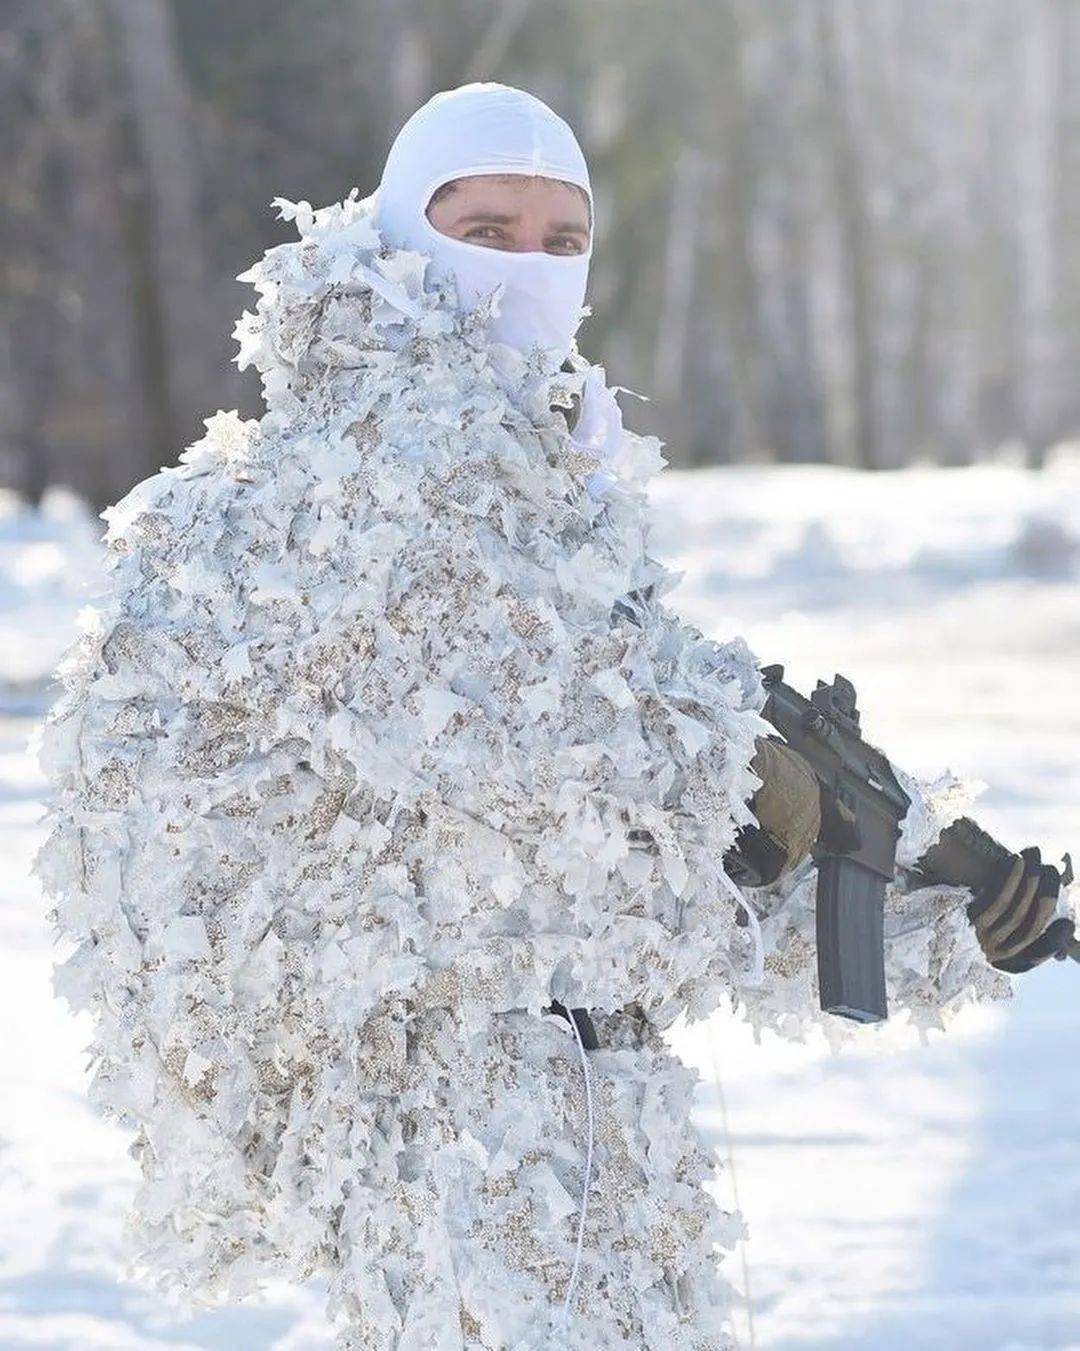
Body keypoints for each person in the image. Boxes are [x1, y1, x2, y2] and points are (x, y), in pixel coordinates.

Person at [35, 81, 1075, 1351]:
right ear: (400, 238)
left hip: (601, 1105)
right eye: (486, 232)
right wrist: (735, 796)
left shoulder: (551, 499)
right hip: (448, 1132)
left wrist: (944, 916)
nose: (529, 271)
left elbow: (661, 894)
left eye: (562, 242)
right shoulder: (334, 495)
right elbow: (547, 806)